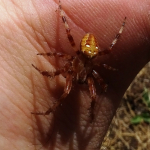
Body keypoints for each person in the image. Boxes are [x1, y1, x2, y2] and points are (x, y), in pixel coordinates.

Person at [0, 0, 149, 149]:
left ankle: (62, 11)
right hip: (85, 55)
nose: (82, 79)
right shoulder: (77, 60)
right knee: (67, 86)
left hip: (89, 57)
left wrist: (122, 29)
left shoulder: (93, 69)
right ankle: (62, 13)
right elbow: (58, 52)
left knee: (92, 94)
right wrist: (46, 58)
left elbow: (101, 73)